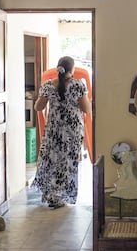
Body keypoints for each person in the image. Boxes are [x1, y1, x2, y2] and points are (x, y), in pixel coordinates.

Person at [31, 56, 91, 209]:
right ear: (72, 70)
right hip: (72, 131)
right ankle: (60, 195)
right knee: (67, 162)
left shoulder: (47, 86)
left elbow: (38, 107)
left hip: (53, 130)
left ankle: (52, 194)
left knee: (51, 160)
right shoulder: (78, 86)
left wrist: (41, 98)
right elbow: (86, 109)